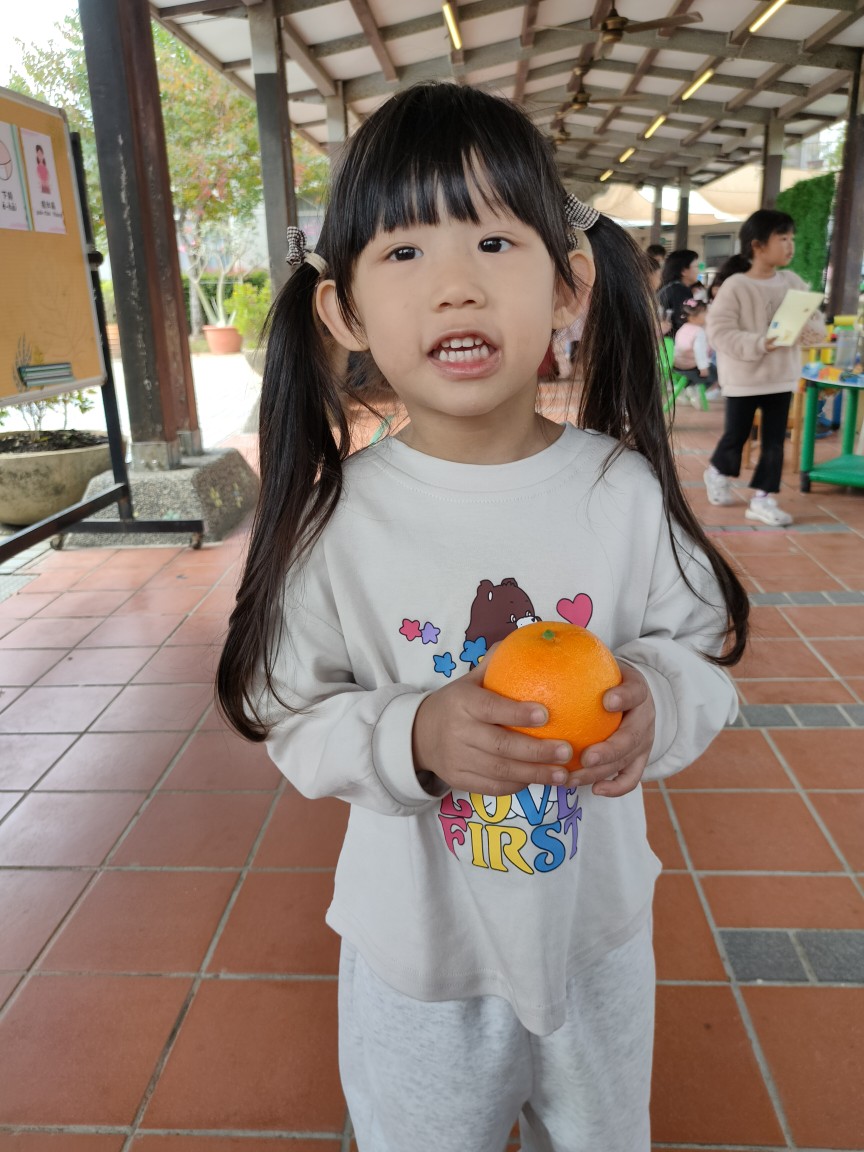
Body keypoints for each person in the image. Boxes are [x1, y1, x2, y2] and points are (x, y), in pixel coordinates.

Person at [216, 83, 748, 1152]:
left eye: (496, 243)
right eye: (405, 252)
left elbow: (699, 657)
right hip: (420, 961)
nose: (455, 285)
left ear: (568, 285)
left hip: (594, 937)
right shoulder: (338, 521)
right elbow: (292, 714)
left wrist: (657, 702)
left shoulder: (621, 491)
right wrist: (414, 736)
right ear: (344, 312)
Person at [704, 209, 825, 527]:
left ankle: (763, 498)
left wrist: (806, 328)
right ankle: (717, 471)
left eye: (792, 238)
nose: (790, 245)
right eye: (782, 238)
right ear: (757, 245)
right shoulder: (736, 286)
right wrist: (761, 343)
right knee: (736, 435)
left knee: (773, 441)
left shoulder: (793, 282)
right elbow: (719, 332)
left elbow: (816, 323)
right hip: (743, 379)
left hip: (782, 378)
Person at [674, 297, 719, 402]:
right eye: (705, 314)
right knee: (716, 373)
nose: (707, 317)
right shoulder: (699, 332)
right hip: (691, 367)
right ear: (693, 318)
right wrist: (703, 368)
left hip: (677, 365)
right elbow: (700, 352)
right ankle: (695, 390)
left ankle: (685, 388)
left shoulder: (683, 328)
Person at [658, 248, 700, 334]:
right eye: (696, 267)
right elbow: (684, 321)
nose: (698, 271)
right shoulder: (680, 290)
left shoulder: (669, 288)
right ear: (684, 271)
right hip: (674, 340)